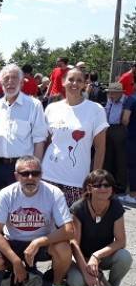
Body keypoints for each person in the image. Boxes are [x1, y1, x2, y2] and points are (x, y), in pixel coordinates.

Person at [0, 155, 74, 286]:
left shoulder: (53, 193)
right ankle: (14, 271)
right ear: (16, 175)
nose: (30, 177)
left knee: (64, 248)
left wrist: (38, 242)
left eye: (35, 173)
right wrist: (16, 261)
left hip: (42, 244)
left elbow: (69, 230)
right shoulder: (7, 193)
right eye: (25, 173)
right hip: (13, 242)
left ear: (41, 174)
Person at [66, 169, 132, 286]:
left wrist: (96, 256)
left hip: (101, 257)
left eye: (107, 185)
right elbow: (74, 245)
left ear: (112, 188)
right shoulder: (79, 208)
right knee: (78, 283)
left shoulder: (115, 206)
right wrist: (85, 271)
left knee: (124, 257)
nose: (103, 188)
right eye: (98, 185)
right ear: (89, 188)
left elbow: (121, 241)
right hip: (80, 258)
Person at [42, 68, 108, 207]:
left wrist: (95, 179)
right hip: (48, 176)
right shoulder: (52, 108)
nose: (74, 83)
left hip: (77, 181)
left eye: (79, 80)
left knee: (72, 226)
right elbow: (45, 141)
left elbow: (100, 148)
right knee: (46, 224)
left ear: (85, 84)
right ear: (63, 82)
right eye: (71, 79)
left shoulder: (95, 110)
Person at [0, 64, 47, 198]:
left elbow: (39, 140)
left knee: (22, 210)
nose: (10, 81)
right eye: (6, 78)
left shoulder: (34, 105)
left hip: (23, 168)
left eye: (14, 78)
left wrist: (34, 171)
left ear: (22, 82)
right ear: (1, 83)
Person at [103, 83, 128, 198]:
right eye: (109, 92)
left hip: (120, 129)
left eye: (112, 92)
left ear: (119, 93)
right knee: (108, 157)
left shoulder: (126, 101)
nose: (110, 94)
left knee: (120, 158)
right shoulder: (110, 100)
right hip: (109, 128)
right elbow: (106, 112)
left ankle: (120, 186)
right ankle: (108, 182)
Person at [122, 92, 136, 204]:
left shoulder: (131, 99)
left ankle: (132, 195)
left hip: (133, 136)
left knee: (132, 166)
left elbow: (125, 119)